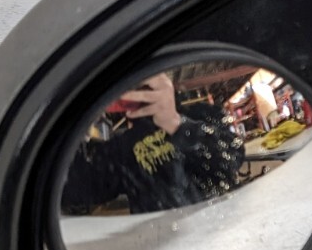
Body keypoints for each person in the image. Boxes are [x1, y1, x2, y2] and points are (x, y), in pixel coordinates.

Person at [59, 72, 245, 215]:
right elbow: (72, 189)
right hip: (161, 248)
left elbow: (232, 158)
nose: (132, 89)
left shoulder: (203, 114)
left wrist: (176, 123)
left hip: (221, 234)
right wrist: (77, 123)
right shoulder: (122, 147)